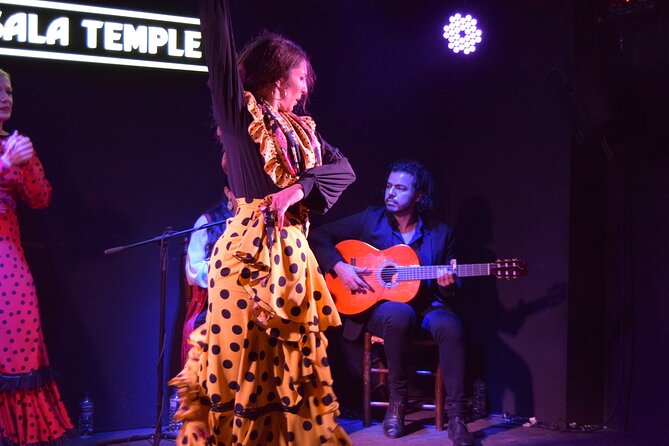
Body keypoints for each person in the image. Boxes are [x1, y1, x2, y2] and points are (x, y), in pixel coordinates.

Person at [168, 1, 356, 445]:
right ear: (278, 76)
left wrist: (297, 189)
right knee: (244, 371)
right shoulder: (241, 115)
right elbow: (219, 53)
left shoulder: (302, 130)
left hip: (293, 260)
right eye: (301, 73)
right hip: (247, 257)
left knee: (287, 375)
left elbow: (345, 170)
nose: (306, 82)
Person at [310, 159, 474, 445]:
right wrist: (340, 267)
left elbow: (451, 291)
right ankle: (397, 404)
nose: (391, 193)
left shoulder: (441, 233)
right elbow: (318, 235)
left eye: (400, 188)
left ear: (419, 195)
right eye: (388, 186)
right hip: (380, 310)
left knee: (451, 327)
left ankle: (457, 416)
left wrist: (448, 284)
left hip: (427, 307)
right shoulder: (369, 219)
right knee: (397, 313)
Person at [0, 68, 74, 445]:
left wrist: (24, 164)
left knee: (15, 350)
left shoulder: (16, 144)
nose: (5, 97)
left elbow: (41, 198)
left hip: (8, 265)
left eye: (9, 91)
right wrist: (4, 166)